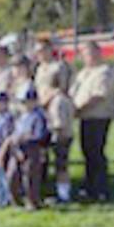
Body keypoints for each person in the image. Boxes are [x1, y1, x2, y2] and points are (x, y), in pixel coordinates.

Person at [69, 41, 114, 202]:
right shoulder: (83, 73)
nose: (86, 57)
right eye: (83, 54)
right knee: (87, 152)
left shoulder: (105, 71)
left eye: (88, 53)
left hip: (98, 116)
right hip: (84, 117)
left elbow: (99, 95)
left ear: (98, 53)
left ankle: (101, 189)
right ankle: (89, 187)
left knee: (96, 153)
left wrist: (79, 109)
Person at [4, 84, 49, 211]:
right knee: (12, 175)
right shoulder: (21, 117)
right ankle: (15, 200)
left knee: (30, 177)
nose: (25, 105)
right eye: (23, 102)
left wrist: (25, 137)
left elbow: (40, 135)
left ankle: (32, 202)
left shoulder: (39, 116)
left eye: (28, 102)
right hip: (17, 149)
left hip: (32, 149)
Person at [47, 73, 75, 203]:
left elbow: (59, 123)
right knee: (62, 166)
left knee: (61, 166)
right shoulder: (67, 99)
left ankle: (63, 194)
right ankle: (63, 192)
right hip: (67, 134)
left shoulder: (58, 101)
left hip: (61, 136)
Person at [34, 41, 70, 107]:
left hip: (54, 102)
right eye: (37, 51)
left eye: (42, 50)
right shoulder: (38, 68)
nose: (39, 54)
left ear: (49, 49)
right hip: (39, 103)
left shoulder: (59, 66)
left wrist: (48, 98)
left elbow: (62, 88)